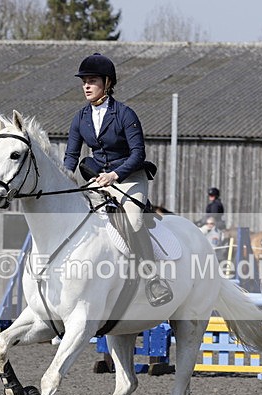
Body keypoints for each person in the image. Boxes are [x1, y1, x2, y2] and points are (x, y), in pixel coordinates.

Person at [63, 53, 172, 307]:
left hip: (129, 178)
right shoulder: (80, 117)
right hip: (99, 179)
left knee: (133, 219)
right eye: (84, 82)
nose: (86, 86)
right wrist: (66, 182)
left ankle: (152, 278)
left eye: (92, 81)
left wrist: (116, 174)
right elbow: (71, 156)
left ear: (107, 83)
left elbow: (138, 154)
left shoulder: (124, 113)